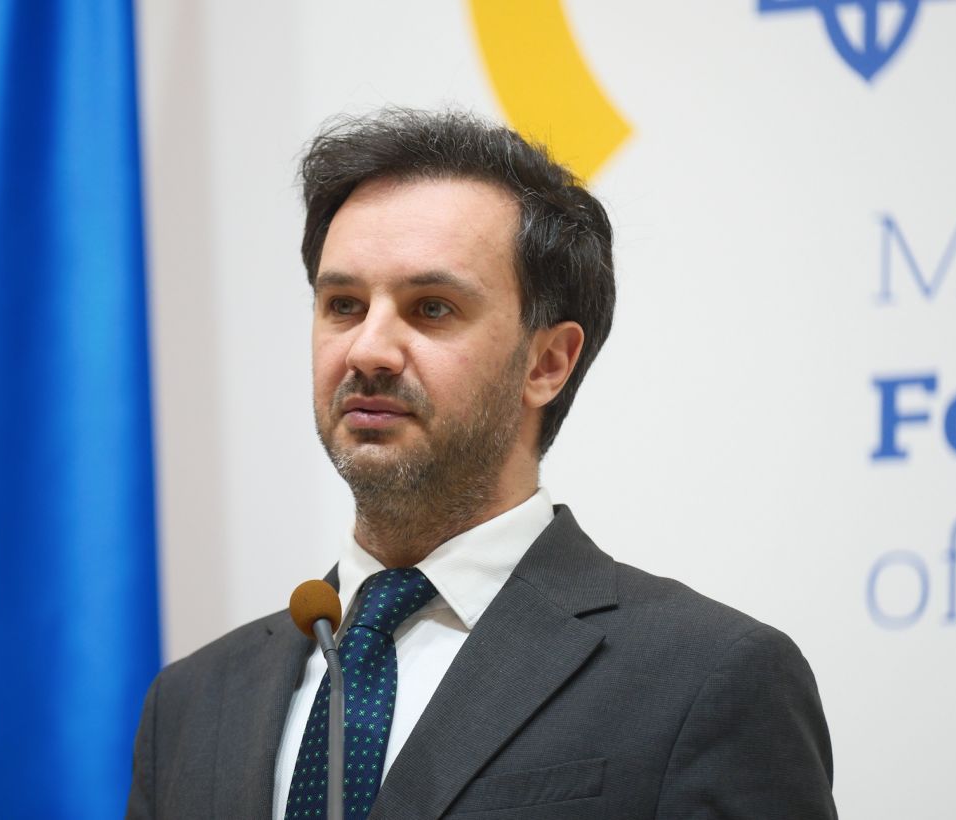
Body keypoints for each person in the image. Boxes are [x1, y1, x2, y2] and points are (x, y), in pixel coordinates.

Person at [127, 109, 836, 819]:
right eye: (343, 304)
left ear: (547, 362)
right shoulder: (190, 705)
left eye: (432, 308)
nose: (367, 350)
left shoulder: (705, 678)